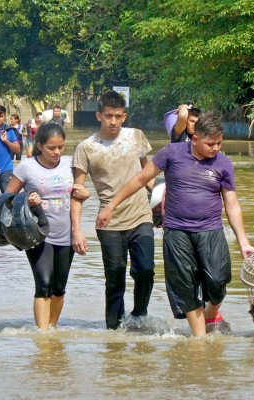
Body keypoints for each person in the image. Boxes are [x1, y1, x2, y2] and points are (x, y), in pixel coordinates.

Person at [97, 111, 254, 336]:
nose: (216, 148)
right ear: (195, 139)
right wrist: (111, 206)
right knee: (186, 286)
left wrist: (243, 242)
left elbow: (232, 204)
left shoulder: (223, 163)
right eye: (211, 144)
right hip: (177, 231)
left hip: (210, 230)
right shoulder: (171, 153)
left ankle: (211, 312)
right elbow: (140, 179)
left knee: (218, 281)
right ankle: (199, 342)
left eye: (220, 143)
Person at [71, 90, 156, 330]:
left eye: (118, 116)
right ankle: (113, 332)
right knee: (115, 278)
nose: (113, 121)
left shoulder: (136, 137)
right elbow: (77, 192)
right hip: (109, 222)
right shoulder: (86, 148)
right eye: (108, 116)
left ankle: (139, 315)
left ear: (124, 116)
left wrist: (162, 197)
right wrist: (77, 230)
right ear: (98, 115)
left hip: (141, 215)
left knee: (146, 269)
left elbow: (146, 174)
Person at [5, 122, 90, 330]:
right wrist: (27, 200)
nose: (57, 152)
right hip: (38, 234)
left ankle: (52, 330)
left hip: (66, 234)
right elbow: (7, 200)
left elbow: (79, 194)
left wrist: (86, 196)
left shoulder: (70, 164)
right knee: (43, 283)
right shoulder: (27, 167)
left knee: (59, 288)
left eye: (61, 147)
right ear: (40, 145)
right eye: (52, 148)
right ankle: (42, 336)